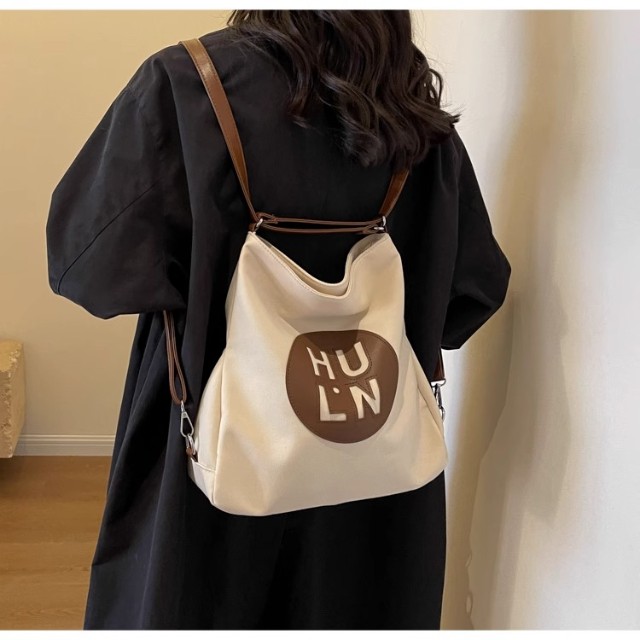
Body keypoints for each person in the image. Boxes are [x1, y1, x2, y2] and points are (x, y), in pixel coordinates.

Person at [45, 10, 511, 630]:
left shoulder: (186, 84)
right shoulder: (412, 111)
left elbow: (84, 265)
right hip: (375, 472)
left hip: (211, 451)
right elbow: (472, 293)